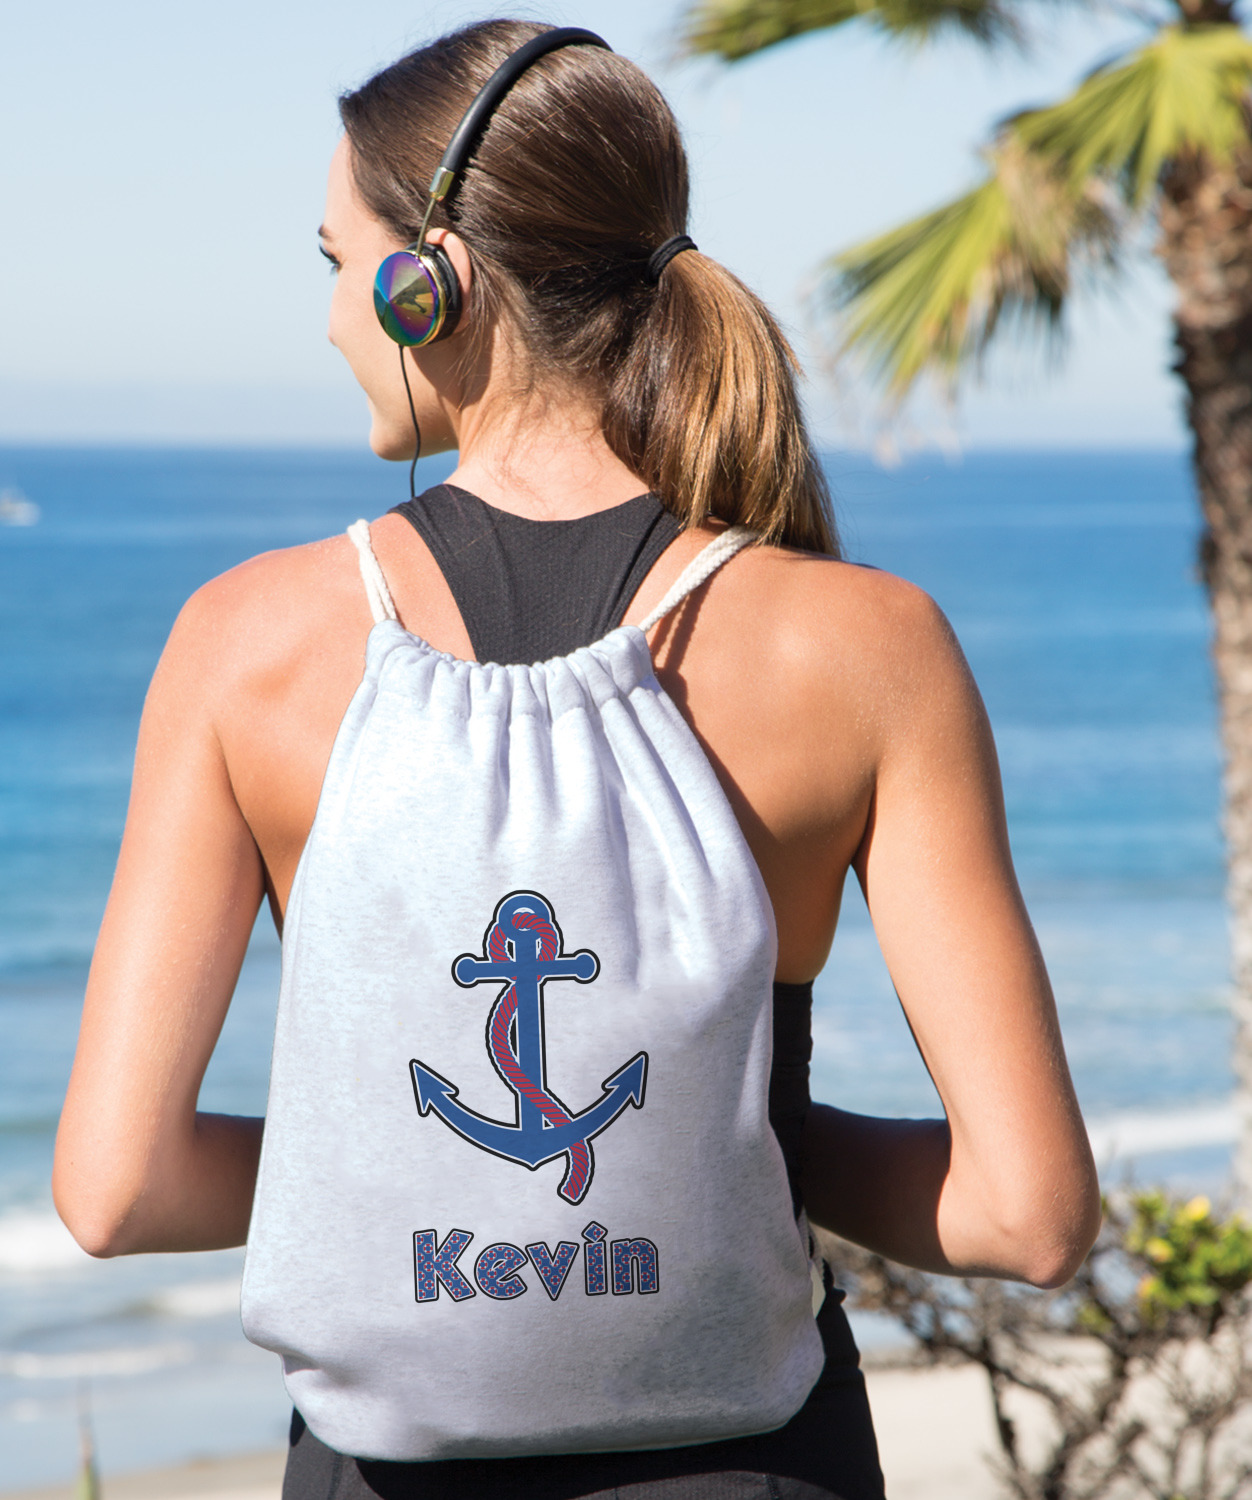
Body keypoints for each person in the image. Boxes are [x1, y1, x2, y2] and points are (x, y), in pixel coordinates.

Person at [54, 20, 1100, 1500]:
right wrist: (726, 1143)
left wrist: (410, 1177)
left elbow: (117, 1189)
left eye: (338, 264)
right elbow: (1028, 1214)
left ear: (429, 284)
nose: (333, 319)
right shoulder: (868, 648)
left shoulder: (244, 645)